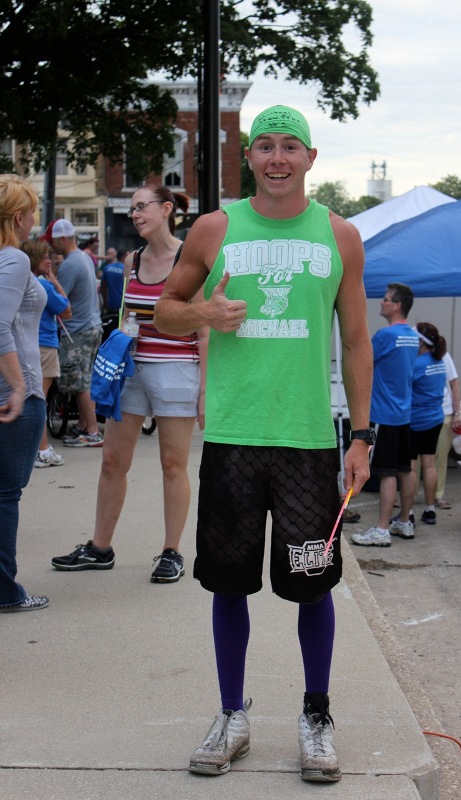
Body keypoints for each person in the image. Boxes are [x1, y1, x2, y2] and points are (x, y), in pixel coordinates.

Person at [153, 105, 373, 782]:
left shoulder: (340, 236)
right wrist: (203, 312)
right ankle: (231, 716)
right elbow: (163, 310)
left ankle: (316, 717)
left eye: (290, 147)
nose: (277, 158)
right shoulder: (214, 228)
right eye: (265, 146)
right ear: (248, 156)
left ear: (310, 157)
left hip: (306, 441)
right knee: (228, 584)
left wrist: (361, 436)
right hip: (234, 437)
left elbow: (356, 341)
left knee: (313, 585)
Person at [51, 186, 205, 584]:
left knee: (173, 464)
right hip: (131, 368)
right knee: (112, 461)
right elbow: (126, 315)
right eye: (132, 209)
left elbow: (204, 330)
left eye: (142, 207)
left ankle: (172, 552)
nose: (134, 214)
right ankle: (100, 547)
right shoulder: (132, 259)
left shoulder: (190, 258)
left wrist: (206, 390)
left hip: (177, 369)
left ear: (166, 209)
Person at [0, 174, 49, 612]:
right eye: (32, 211)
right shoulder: (13, 258)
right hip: (17, 394)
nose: (35, 219)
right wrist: (19, 386)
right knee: (5, 495)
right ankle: (5, 590)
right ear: (18, 218)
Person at [351, 283, 419, 547]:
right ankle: (404, 521)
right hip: (404, 413)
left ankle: (381, 529)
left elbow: (361, 361)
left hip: (384, 414)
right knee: (405, 469)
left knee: (387, 472)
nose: (381, 302)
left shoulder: (385, 336)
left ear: (397, 305)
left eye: (386, 299)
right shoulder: (413, 336)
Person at [51, 219, 103, 447]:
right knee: (86, 379)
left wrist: (51, 277)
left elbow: (58, 300)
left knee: (80, 383)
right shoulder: (84, 257)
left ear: (63, 239)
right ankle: (83, 424)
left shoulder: (70, 264)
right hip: (91, 326)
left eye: (53, 241)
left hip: (77, 331)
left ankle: (92, 431)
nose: (52, 246)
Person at [21, 240, 71, 468]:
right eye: (45, 257)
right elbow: (67, 310)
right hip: (46, 345)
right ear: (34, 259)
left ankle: (33, 448)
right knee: (39, 399)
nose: (49, 261)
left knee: (29, 397)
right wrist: (54, 281)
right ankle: (41, 449)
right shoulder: (43, 285)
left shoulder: (21, 281)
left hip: (26, 344)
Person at [407, 322, 447, 525]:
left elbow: (403, 387)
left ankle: (408, 513)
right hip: (435, 418)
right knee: (429, 464)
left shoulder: (416, 364)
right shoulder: (439, 361)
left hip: (415, 420)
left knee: (410, 467)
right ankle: (430, 510)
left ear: (421, 342)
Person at [434, 342, 461, 509]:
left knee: (441, 456)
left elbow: (455, 383)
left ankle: (438, 495)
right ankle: (411, 495)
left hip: (443, 411)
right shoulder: (413, 354)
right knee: (414, 458)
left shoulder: (443, 355)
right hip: (419, 412)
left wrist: (456, 412)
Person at [99, 248, 126, 313]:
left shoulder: (107, 267)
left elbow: (103, 287)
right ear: (123, 257)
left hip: (110, 304)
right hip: (122, 305)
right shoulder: (126, 270)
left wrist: (105, 301)